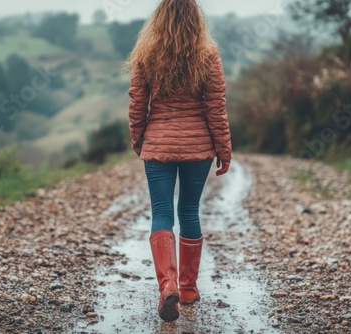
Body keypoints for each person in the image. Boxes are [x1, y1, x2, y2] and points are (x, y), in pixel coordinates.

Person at [126, 0, 232, 322]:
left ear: (160, 18)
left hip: (158, 145)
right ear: (195, 19)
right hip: (198, 148)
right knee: (188, 210)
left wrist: (139, 140)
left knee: (161, 212)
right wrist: (224, 150)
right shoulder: (208, 54)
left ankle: (167, 283)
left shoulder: (146, 54)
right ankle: (187, 288)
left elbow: (137, 104)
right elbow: (216, 108)